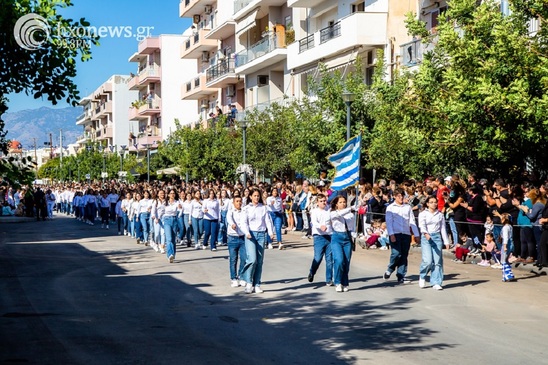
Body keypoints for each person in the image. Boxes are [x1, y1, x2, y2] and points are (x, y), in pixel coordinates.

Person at [383, 188, 420, 284]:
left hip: (406, 233)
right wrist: (391, 234)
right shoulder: (390, 208)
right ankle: (390, 268)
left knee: (404, 255)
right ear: (394, 196)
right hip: (395, 233)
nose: (401, 198)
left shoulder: (407, 207)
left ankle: (401, 275)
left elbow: (412, 221)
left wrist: (416, 234)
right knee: (396, 253)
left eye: (402, 196)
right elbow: (389, 222)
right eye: (398, 196)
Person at [241, 188, 274, 294]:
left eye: (258, 196)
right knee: (252, 259)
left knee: (259, 261)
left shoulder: (263, 208)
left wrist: (270, 233)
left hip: (261, 235)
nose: (256, 197)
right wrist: (246, 232)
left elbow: (268, 221)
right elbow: (243, 222)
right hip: (250, 235)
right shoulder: (246, 208)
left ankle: (257, 284)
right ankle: (248, 282)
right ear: (250, 197)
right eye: (254, 196)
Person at [418, 196, 450, 290]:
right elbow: (422, 225)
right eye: (431, 202)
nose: (434, 204)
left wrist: (446, 241)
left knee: (437, 261)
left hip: (437, 237)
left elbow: (443, 228)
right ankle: (422, 275)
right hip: (426, 238)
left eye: (435, 202)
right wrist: (425, 233)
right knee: (428, 260)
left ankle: (436, 282)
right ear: (427, 204)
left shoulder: (440, 215)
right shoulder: (423, 214)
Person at [329, 195, 355, 292]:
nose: (343, 204)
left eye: (344, 202)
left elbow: (351, 225)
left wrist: (353, 233)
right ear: (336, 204)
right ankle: (337, 282)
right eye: (340, 202)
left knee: (346, 262)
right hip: (337, 238)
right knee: (339, 260)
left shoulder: (350, 214)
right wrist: (351, 208)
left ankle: (344, 282)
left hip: (347, 238)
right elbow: (339, 215)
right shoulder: (332, 213)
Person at [307, 193, 333, 286]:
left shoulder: (329, 210)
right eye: (321, 201)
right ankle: (312, 272)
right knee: (318, 258)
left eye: (324, 201)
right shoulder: (315, 211)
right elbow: (314, 222)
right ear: (317, 202)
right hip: (319, 236)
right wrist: (320, 226)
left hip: (329, 236)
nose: (323, 203)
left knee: (329, 259)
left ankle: (329, 279)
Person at [226, 195, 247, 287]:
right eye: (237, 201)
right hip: (232, 238)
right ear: (233, 202)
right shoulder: (230, 211)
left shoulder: (244, 211)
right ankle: (233, 278)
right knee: (233, 259)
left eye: (240, 201)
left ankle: (241, 276)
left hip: (242, 238)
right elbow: (229, 219)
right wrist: (232, 224)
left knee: (243, 258)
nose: (239, 203)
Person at [163, 189, 181, 263]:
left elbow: (180, 210)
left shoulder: (177, 202)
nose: (172, 195)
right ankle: (170, 254)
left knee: (173, 239)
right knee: (169, 238)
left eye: (173, 193)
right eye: (171, 193)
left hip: (174, 220)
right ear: (168, 195)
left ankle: (172, 254)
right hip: (167, 220)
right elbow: (161, 211)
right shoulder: (165, 203)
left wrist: (179, 213)